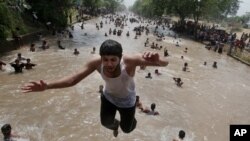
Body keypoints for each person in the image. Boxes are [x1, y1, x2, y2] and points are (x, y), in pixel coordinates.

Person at [21, 39, 168, 137]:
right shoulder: (96, 62)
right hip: (109, 97)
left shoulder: (130, 61)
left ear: (120, 57)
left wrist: (158, 59)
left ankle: (129, 121)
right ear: (101, 57)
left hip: (127, 101)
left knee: (127, 130)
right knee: (106, 123)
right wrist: (47, 86)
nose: (109, 64)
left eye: (113, 60)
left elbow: (165, 63)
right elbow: (73, 79)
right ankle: (116, 125)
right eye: (106, 60)